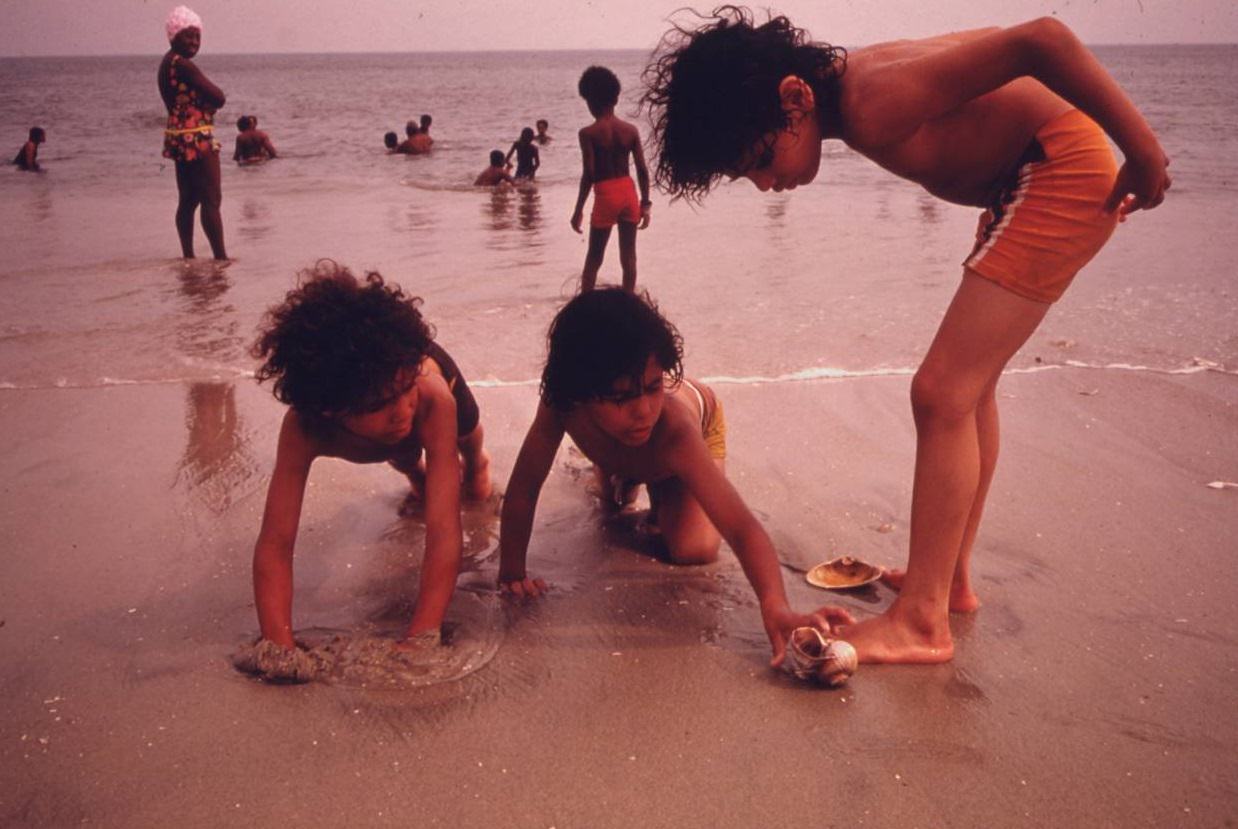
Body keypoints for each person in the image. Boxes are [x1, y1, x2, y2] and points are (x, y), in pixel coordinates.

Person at [641, 9, 1171, 664]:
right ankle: (947, 582)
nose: (763, 185)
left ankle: (921, 620)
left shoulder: (871, 96)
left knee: (941, 392)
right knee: (968, 392)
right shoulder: (855, 86)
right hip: (1027, 176)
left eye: (757, 160)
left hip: (1053, 171)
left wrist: (1144, 152)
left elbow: (1045, 40)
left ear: (793, 97)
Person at [498, 288, 854, 667]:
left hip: (694, 426)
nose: (643, 411)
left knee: (693, 550)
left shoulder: (673, 429)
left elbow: (741, 527)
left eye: (653, 387)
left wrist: (777, 606)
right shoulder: (562, 405)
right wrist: (512, 572)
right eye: (621, 398)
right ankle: (619, 472)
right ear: (580, 395)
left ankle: (655, 481)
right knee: (611, 503)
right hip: (620, 448)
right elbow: (525, 486)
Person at [249, 261, 493, 650]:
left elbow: (444, 531)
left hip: (434, 377)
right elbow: (276, 544)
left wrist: (420, 636)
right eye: (380, 403)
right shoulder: (305, 428)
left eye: (402, 391)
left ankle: (479, 461)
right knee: (401, 449)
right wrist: (278, 642)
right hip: (381, 408)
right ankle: (415, 472)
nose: (401, 409)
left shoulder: (426, 394)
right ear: (329, 408)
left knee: (467, 431)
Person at [570, 66, 652, 293]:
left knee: (594, 257)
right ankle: (629, 303)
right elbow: (643, 171)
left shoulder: (588, 133)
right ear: (616, 99)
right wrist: (645, 204)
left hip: (605, 193)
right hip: (628, 191)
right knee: (629, 257)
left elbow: (589, 174)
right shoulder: (630, 130)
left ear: (589, 101)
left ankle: (585, 305)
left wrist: (578, 210)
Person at [158, 5, 227, 260]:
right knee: (211, 197)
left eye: (197, 36)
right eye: (188, 35)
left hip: (178, 136)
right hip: (197, 137)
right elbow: (218, 97)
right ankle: (221, 259)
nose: (194, 42)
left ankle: (188, 256)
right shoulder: (183, 65)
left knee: (188, 199)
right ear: (173, 35)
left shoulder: (166, 63)